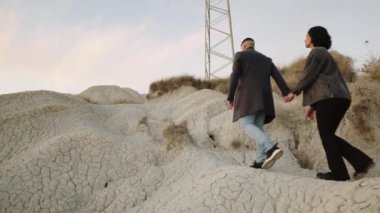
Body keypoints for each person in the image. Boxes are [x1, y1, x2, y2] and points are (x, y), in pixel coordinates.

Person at [285, 26, 375, 181]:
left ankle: (344, 171)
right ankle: (360, 163)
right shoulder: (324, 54)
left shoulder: (317, 52)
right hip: (339, 98)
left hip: (330, 98)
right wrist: (312, 107)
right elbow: (322, 80)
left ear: (313, 38)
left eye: (307, 36)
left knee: (327, 136)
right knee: (329, 135)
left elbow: (309, 76)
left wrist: (294, 91)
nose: (304, 39)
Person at [227, 37, 292, 169]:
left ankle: (271, 148)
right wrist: (286, 92)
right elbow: (278, 76)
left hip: (248, 98)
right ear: (253, 45)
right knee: (258, 128)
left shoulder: (240, 56)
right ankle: (260, 160)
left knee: (246, 125)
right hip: (264, 99)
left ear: (244, 46)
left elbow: (234, 75)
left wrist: (230, 97)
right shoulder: (266, 60)